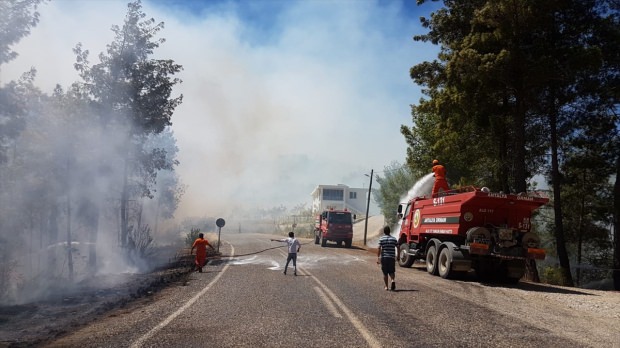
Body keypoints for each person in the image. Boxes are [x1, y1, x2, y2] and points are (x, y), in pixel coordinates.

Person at [377, 225, 399, 291]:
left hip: (384, 258)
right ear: (390, 231)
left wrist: (378, 257)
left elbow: (379, 248)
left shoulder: (381, 239)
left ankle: (386, 286)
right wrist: (398, 256)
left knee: (385, 272)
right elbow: (398, 247)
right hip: (392, 258)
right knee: (392, 271)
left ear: (384, 232)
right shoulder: (394, 239)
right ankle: (392, 280)